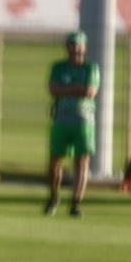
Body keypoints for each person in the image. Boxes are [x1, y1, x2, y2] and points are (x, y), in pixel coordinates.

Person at [45, 31, 99, 217]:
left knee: (82, 161)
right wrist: (76, 88)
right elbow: (53, 89)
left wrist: (65, 89)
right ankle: (54, 196)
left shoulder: (91, 68)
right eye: (71, 44)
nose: (74, 48)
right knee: (55, 160)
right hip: (61, 119)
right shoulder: (58, 67)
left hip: (84, 121)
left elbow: (89, 91)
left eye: (78, 44)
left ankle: (76, 202)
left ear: (85, 48)